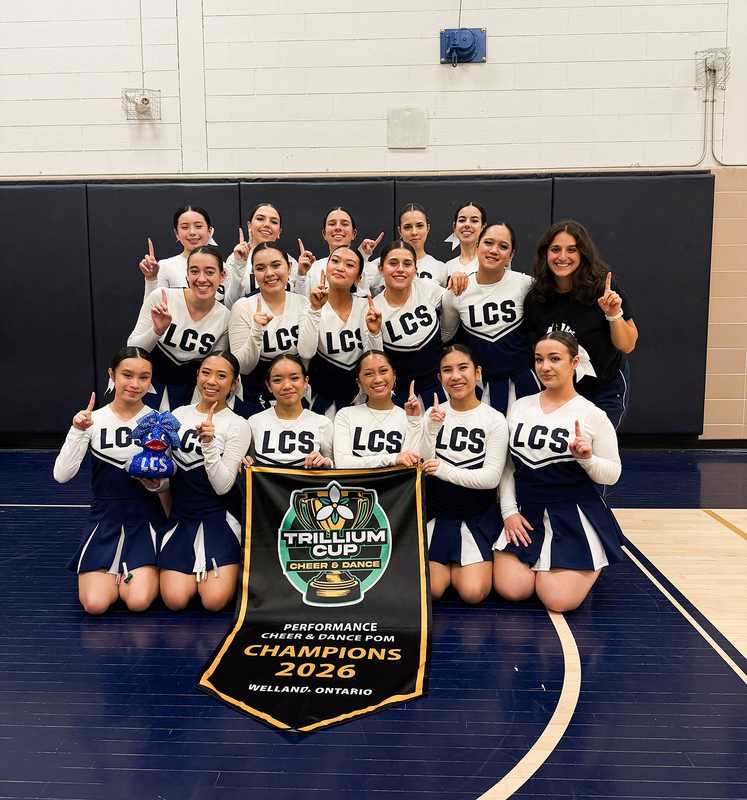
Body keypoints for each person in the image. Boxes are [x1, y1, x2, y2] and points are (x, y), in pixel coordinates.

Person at [490, 331, 626, 612]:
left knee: (557, 600)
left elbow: (612, 473)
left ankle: (588, 555)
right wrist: (509, 512)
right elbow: (507, 466)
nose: (545, 367)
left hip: (572, 513)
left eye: (555, 359)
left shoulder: (592, 415)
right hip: (525, 514)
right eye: (539, 359)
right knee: (512, 589)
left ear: (574, 362)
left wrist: (587, 460)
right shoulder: (519, 406)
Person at [54, 347, 165, 615]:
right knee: (95, 605)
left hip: (146, 518)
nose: (135, 384)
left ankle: (138, 570)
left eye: (144, 377)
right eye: (127, 375)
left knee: (137, 602)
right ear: (112, 375)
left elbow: (171, 479)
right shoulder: (92, 420)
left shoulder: (160, 422)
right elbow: (62, 475)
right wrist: (77, 431)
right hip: (105, 518)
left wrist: (158, 485)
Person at [157, 352, 250, 612]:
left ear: (234, 383)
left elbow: (223, 486)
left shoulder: (237, 425)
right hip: (181, 518)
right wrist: (156, 484)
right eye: (206, 372)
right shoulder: (177, 414)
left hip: (218, 517)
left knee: (214, 602)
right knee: (175, 601)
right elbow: (167, 474)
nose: (212, 380)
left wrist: (209, 445)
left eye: (222, 375)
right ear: (197, 376)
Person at [524, 219, 638, 429]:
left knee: (590, 448)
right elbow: (529, 345)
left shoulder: (603, 289)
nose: (562, 257)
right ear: (545, 254)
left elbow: (628, 345)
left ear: (583, 254)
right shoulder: (536, 297)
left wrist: (613, 315)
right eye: (555, 249)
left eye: (572, 250)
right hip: (558, 393)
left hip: (604, 389)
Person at [419, 345, 508, 604]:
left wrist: (444, 470)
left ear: (477, 373)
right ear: (440, 379)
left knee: (472, 593)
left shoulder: (494, 419)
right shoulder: (433, 413)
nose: (455, 376)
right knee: (432, 591)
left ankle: (462, 565)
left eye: (463, 368)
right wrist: (430, 429)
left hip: (475, 518)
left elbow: (491, 478)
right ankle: (444, 565)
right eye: (447, 370)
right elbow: (422, 462)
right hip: (436, 517)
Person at [442, 223, 539, 415]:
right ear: (477, 246)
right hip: (478, 386)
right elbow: (445, 337)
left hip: (523, 381)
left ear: (511, 255)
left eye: (503, 246)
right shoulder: (456, 291)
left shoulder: (525, 284)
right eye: (488, 243)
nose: (494, 250)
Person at [128, 245, 230, 411]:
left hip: (187, 395)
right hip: (146, 389)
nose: (202, 279)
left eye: (210, 272)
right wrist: (157, 331)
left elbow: (212, 367)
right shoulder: (162, 297)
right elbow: (132, 349)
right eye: (195, 271)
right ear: (187, 275)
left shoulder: (226, 317)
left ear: (222, 276)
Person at [228, 242, 316, 418]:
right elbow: (242, 367)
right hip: (251, 399)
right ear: (253, 272)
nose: (269, 273)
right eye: (260, 268)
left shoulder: (302, 303)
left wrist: (315, 311)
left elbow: (307, 352)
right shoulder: (243, 307)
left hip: (294, 398)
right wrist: (256, 332)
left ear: (289, 267)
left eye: (276, 265)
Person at [302, 245, 384, 417]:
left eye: (349, 265)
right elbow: (306, 352)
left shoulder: (365, 307)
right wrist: (315, 310)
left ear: (358, 279)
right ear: (326, 267)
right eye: (335, 261)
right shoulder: (309, 306)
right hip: (318, 402)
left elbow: (375, 359)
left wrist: (375, 333)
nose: (340, 267)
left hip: (359, 401)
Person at [373, 240, 454, 409]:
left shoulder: (426, 287)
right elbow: (375, 358)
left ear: (415, 270)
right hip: (398, 394)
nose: (400, 269)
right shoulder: (373, 308)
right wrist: (373, 333)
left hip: (437, 387)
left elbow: (454, 305)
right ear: (381, 269)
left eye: (407, 264)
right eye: (393, 263)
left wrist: (459, 276)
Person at [334, 351, 422, 469]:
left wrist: (414, 422)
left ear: (394, 375)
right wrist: (393, 459)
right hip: (356, 487)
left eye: (383, 371)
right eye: (369, 374)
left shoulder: (409, 418)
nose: (377, 379)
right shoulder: (345, 415)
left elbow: (408, 466)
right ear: (359, 382)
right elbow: (342, 463)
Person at [247, 354, 334, 469]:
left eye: (294, 378)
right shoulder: (254, 422)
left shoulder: (323, 423)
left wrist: (326, 463)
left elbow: (334, 466)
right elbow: (250, 466)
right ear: (268, 385)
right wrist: (246, 463)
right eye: (277, 380)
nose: (287, 386)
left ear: (305, 381)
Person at [295, 206, 383, 299]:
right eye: (332, 224)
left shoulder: (369, 269)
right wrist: (301, 275)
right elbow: (302, 304)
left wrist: (361, 256)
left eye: (344, 224)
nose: (337, 228)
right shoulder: (312, 269)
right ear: (324, 234)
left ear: (354, 234)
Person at [138, 205, 223, 303]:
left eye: (198, 226)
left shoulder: (222, 267)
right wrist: (151, 278)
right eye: (185, 227)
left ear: (209, 231)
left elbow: (230, 304)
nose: (192, 232)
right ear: (176, 233)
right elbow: (151, 309)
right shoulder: (166, 266)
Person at [223, 203, 299, 308]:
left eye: (273, 222)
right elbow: (230, 305)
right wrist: (240, 264)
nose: (267, 224)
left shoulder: (290, 261)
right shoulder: (234, 259)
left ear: (279, 232)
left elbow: (301, 303)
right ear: (249, 226)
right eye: (260, 219)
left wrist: (302, 275)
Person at [366, 203, 448, 295]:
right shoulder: (382, 263)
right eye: (407, 227)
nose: (414, 232)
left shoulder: (441, 268)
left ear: (427, 228)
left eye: (419, 226)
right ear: (400, 231)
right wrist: (363, 255)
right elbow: (356, 283)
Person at [444, 202, 487, 277]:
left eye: (474, 221)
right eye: (462, 220)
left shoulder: (489, 264)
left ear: (483, 228)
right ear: (454, 227)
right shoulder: (447, 267)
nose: (467, 225)